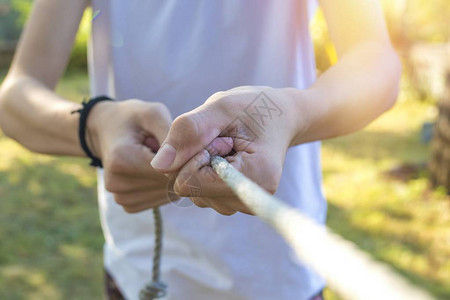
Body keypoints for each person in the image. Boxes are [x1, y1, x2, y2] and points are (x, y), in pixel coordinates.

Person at [0, 0, 401, 299]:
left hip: (278, 276)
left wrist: (291, 113)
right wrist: (94, 125)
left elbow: (377, 64)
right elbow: (16, 97)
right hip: (140, 270)